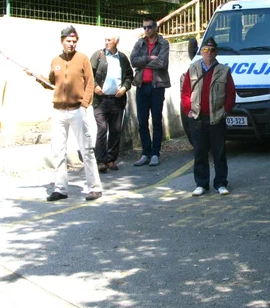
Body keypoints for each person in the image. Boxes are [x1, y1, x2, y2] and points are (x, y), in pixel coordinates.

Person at [32, 26, 103, 201]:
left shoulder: (83, 59)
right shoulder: (55, 60)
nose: (71, 44)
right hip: (58, 111)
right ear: (62, 41)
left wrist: (85, 105)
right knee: (58, 150)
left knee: (86, 149)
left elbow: (90, 83)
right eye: (68, 41)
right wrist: (36, 76)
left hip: (77, 109)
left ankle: (94, 187)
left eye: (73, 41)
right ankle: (60, 188)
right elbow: (51, 82)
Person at [181, 37, 236, 197]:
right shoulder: (193, 68)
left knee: (219, 152)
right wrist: (188, 110)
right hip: (197, 117)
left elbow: (231, 94)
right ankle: (201, 184)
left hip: (216, 118)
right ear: (201, 51)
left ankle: (220, 183)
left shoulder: (224, 70)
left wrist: (225, 111)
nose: (208, 53)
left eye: (212, 50)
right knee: (199, 151)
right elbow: (185, 92)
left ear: (216, 52)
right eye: (205, 50)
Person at [91, 34, 133, 173]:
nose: (107, 42)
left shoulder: (122, 58)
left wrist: (124, 88)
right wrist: (95, 86)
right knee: (102, 129)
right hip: (101, 100)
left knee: (115, 130)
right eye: (106, 40)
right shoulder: (99, 55)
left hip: (117, 100)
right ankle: (101, 160)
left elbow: (129, 76)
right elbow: (89, 75)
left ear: (117, 42)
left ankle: (111, 159)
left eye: (110, 40)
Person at [131, 18, 170, 167]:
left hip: (156, 86)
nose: (146, 30)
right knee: (142, 121)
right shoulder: (140, 43)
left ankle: (155, 153)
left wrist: (144, 62)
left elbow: (162, 62)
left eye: (149, 27)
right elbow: (133, 60)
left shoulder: (163, 43)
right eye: (144, 27)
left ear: (155, 27)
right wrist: (149, 58)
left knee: (156, 121)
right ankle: (145, 153)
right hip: (142, 85)